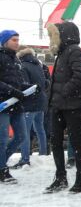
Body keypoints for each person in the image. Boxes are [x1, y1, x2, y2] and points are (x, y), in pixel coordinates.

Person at [45, 22, 81, 193]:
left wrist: (64, 91)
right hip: (58, 105)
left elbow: (79, 75)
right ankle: (61, 177)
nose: (51, 39)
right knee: (55, 141)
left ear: (63, 35)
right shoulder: (61, 52)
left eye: (53, 35)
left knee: (75, 142)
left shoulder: (74, 50)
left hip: (71, 105)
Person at [0, 30, 32, 183]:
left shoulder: (16, 60)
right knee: (3, 138)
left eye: (18, 40)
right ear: (5, 41)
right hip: (3, 104)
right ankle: (2, 170)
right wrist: (13, 91)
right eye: (14, 40)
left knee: (20, 136)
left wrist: (31, 87)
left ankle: (1, 164)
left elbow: (18, 82)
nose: (17, 43)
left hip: (17, 104)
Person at [10, 46, 49, 168]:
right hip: (41, 102)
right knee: (40, 129)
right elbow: (45, 82)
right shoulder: (38, 65)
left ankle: (25, 159)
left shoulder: (23, 66)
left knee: (25, 132)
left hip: (29, 103)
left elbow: (25, 85)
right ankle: (43, 154)